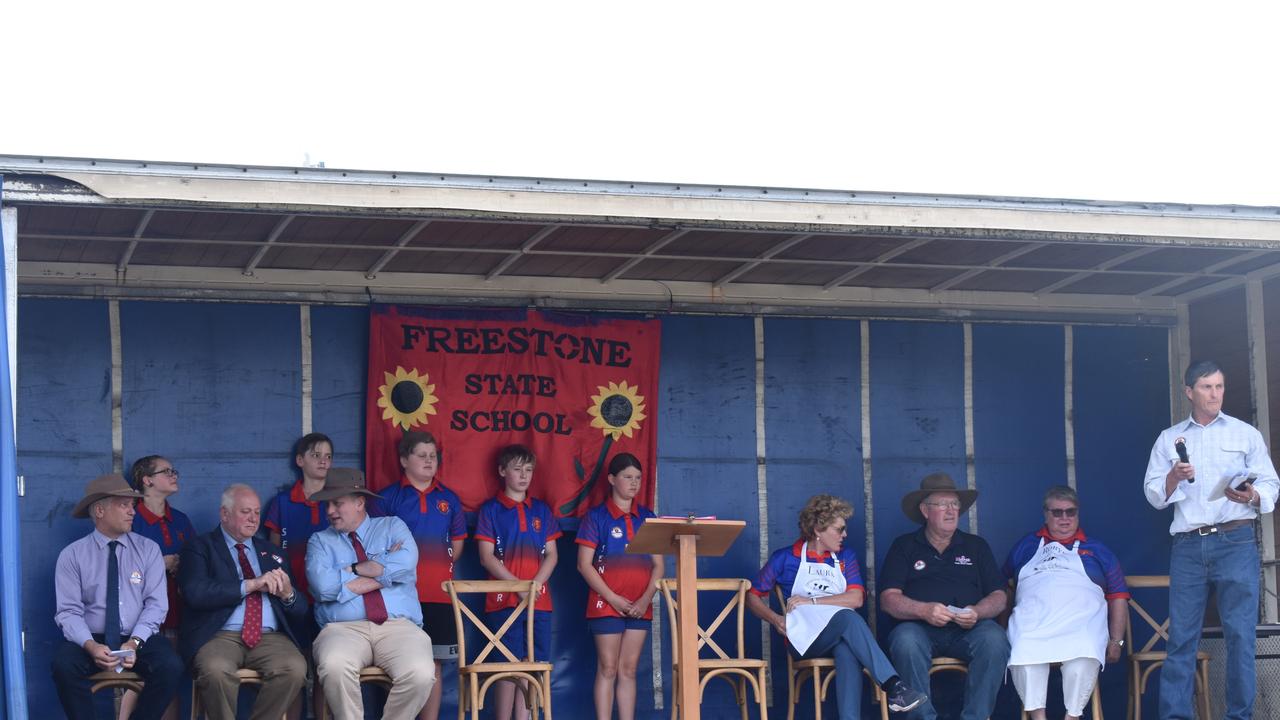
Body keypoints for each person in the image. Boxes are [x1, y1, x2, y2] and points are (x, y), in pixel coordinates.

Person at [1144, 360, 1279, 720]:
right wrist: (1173, 477)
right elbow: (1154, 495)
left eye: (1219, 386)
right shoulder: (1169, 438)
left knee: (1240, 638)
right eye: (1206, 387)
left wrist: (1250, 496)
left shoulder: (1244, 433)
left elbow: (1270, 484)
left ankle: (1239, 717)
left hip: (1235, 541)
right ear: (1189, 392)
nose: (1215, 394)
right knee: (1182, 639)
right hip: (1188, 544)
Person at [746, 494, 926, 718]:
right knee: (847, 618)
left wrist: (812, 600)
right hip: (803, 637)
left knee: (847, 648)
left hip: (839, 632)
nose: (845, 535)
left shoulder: (844, 557)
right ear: (817, 531)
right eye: (839, 529)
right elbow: (752, 596)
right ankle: (894, 686)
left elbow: (856, 599)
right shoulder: (785, 557)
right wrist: (776, 619)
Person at [305, 468, 435, 720]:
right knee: (333, 666)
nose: (329, 511)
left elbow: (407, 563)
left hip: (399, 627)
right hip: (342, 629)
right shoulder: (319, 541)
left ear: (359, 502)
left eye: (337, 503)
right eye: (327, 504)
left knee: (421, 673)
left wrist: (349, 570)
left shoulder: (392, 526)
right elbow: (323, 587)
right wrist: (385, 572)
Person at [52, 473, 183, 720]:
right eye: (123, 505)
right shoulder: (72, 555)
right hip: (91, 638)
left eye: (132, 506)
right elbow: (68, 612)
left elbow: (156, 605)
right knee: (63, 666)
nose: (132, 512)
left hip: (138, 637)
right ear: (99, 511)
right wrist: (90, 645)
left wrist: (134, 642)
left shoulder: (148, 549)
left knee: (171, 666)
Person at [879, 472, 1009, 720]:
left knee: (995, 640)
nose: (951, 511)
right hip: (919, 629)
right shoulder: (904, 546)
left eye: (955, 504)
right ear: (925, 511)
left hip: (969, 629)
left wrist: (978, 612)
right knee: (905, 641)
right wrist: (923, 610)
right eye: (942, 505)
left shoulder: (976, 546)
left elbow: (999, 595)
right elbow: (888, 599)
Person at [177, 484, 310, 720]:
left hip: (270, 637)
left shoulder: (272, 552)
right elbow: (196, 593)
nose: (253, 519)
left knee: (295, 668)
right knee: (216, 671)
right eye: (245, 512)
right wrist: (249, 585)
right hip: (219, 635)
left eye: (257, 512)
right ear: (224, 514)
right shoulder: (200, 547)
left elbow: (300, 610)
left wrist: (288, 594)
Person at [1004, 485, 1129, 720]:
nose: (1064, 518)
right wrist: (1001, 628)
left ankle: (1072, 716)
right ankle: (1038, 717)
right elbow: (1004, 589)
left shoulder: (1098, 550)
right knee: (1022, 649)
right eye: (1057, 512)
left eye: (1070, 512)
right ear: (1045, 514)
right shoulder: (1025, 546)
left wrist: (1116, 640)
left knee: (1084, 654)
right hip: (1033, 623)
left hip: (1081, 624)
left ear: (1078, 514)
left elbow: (1118, 595)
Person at [377, 431, 466, 720]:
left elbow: (457, 543)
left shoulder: (449, 499)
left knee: (434, 665)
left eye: (433, 456)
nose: (429, 461)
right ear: (404, 460)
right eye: (421, 455)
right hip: (398, 598)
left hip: (439, 595)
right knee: (397, 665)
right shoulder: (387, 498)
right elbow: (375, 547)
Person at [575, 453, 665, 720]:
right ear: (612, 479)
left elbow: (659, 567)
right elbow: (584, 565)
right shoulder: (596, 517)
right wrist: (612, 598)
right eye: (627, 477)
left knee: (628, 670)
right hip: (606, 605)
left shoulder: (648, 517)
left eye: (638, 478)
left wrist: (645, 599)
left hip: (640, 606)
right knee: (609, 668)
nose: (634, 483)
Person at [475, 444, 561, 720]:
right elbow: (487, 558)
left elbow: (552, 555)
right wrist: (519, 587)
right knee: (505, 666)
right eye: (517, 469)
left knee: (532, 665)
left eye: (528, 470)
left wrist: (533, 586)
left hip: (539, 600)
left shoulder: (542, 510)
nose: (524, 476)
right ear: (502, 471)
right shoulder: (490, 510)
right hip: (504, 600)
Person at [121, 455, 195, 720]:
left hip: (175, 608)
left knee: (170, 677)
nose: (174, 475)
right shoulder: (131, 517)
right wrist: (158, 563)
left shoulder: (181, 519)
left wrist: (182, 563)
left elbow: (198, 561)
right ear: (147, 480)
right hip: (137, 614)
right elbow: (119, 565)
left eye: (174, 471)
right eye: (166, 472)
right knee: (139, 679)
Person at [264, 432, 334, 601]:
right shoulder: (283, 502)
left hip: (330, 589)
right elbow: (275, 550)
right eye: (316, 455)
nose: (323, 461)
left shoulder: (337, 501)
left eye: (328, 456)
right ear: (300, 460)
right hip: (292, 588)